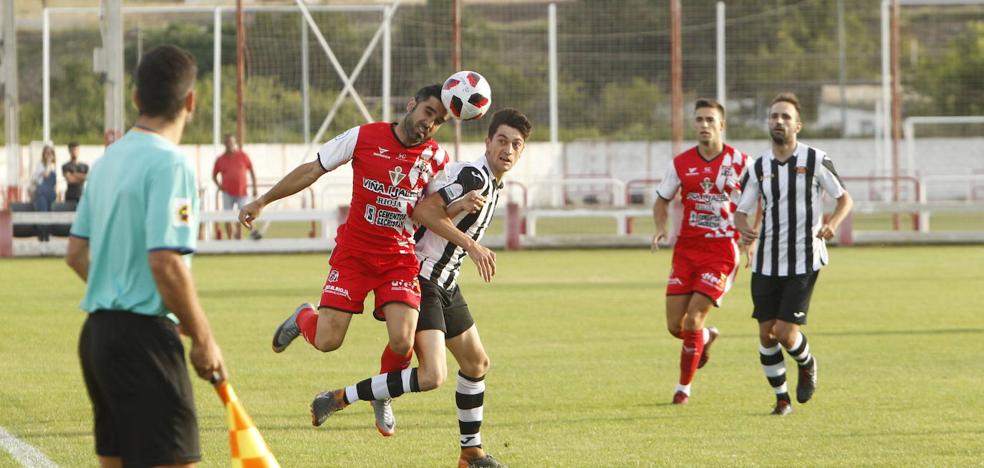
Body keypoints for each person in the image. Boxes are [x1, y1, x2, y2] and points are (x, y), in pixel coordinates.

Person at [238, 84, 497, 432]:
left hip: (399, 258)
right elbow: (312, 170)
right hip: (355, 255)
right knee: (329, 341)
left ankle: (383, 393)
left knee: (404, 339)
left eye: (438, 122)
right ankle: (303, 317)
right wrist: (263, 201)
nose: (429, 124)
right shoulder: (364, 136)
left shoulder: (436, 158)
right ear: (411, 105)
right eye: (427, 113)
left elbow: (429, 213)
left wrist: (458, 207)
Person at [297, 109, 529, 468]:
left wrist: (457, 218)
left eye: (516, 144)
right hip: (423, 278)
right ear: (487, 141)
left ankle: (471, 453)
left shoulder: (492, 183)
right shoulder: (473, 176)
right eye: (502, 141)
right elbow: (425, 211)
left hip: (447, 281)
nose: (508, 150)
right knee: (432, 375)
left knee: (476, 362)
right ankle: (341, 397)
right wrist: (471, 244)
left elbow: (441, 209)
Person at [64, 45, 227, 467]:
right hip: (145, 342)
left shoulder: (105, 162)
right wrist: (203, 338)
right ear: (191, 101)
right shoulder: (171, 164)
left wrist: (119, 288)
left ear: (136, 97)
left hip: (98, 336)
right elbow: (166, 262)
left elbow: (76, 253)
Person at [735, 92, 853, 416]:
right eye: (774, 116)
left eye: (786, 117)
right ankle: (782, 399)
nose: (779, 121)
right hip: (766, 261)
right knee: (766, 332)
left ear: (797, 125)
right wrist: (744, 231)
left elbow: (844, 199)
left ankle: (807, 361)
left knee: (786, 333)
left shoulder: (815, 159)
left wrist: (832, 224)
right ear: (768, 123)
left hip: (804, 258)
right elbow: (741, 210)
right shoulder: (757, 167)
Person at [651, 98, 749, 405]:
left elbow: (756, 201)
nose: (704, 125)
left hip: (721, 251)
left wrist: (750, 239)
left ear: (722, 125)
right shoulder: (680, 163)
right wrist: (661, 227)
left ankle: (683, 389)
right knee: (675, 326)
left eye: (710, 120)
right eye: (699, 120)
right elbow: (661, 200)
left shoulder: (742, 163)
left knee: (693, 320)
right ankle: (705, 338)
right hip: (686, 250)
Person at [212, 133, 257, 239]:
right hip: (227, 192)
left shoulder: (243, 155)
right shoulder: (220, 159)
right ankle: (230, 239)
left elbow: (251, 171)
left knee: (244, 215)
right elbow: (214, 175)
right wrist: (219, 186)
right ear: (224, 144)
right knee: (227, 217)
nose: (229, 144)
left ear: (234, 143)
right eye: (227, 142)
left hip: (242, 192)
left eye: (231, 142)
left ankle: (241, 237)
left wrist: (254, 187)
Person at [32, 145, 58, 243]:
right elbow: (46, 174)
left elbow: (54, 183)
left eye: (51, 153)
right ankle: (42, 235)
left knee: (50, 214)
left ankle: (47, 236)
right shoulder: (41, 165)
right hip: (42, 193)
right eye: (47, 153)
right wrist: (48, 162)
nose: (49, 155)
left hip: (50, 194)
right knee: (43, 213)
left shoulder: (54, 166)